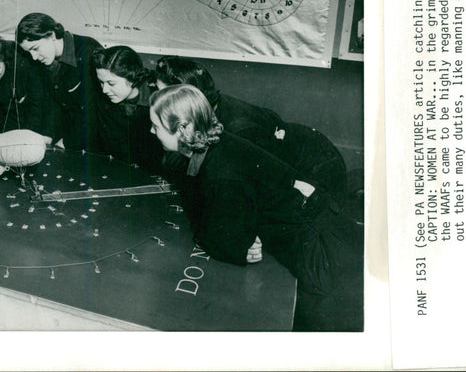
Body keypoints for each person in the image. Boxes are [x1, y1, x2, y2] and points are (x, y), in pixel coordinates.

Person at [149, 84, 363, 331]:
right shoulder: (219, 143)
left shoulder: (222, 173)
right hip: (320, 226)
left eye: (156, 126)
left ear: (183, 128)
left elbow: (228, 241)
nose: (151, 131)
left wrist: (222, 237)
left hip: (321, 253)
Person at [154, 55, 347, 200]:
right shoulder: (204, 112)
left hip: (316, 170)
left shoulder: (239, 130)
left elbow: (267, 185)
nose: (159, 102)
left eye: (167, 96)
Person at [16, 12, 102, 153]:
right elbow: (53, 101)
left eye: (35, 49)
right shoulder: (45, 58)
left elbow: (94, 111)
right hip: (67, 130)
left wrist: (68, 141)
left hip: (92, 138)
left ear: (52, 35)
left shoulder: (89, 53)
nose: (34, 57)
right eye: (28, 52)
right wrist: (48, 134)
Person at [92, 45, 161, 169]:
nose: (104, 90)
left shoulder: (157, 103)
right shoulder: (101, 102)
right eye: (101, 82)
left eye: (111, 83)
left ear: (132, 78)